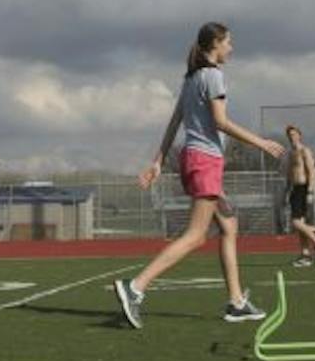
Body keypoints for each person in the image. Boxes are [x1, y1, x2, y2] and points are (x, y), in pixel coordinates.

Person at [112, 22, 284, 329]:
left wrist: (158, 162)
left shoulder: (191, 79)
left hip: (195, 160)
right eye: (228, 42)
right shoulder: (213, 76)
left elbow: (174, 122)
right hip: (205, 162)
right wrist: (260, 142)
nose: (231, 48)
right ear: (215, 44)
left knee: (229, 225)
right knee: (195, 236)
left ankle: (236, 303)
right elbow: (220, 122)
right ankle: (135, 287)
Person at [283, 125, 315, 266]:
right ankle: (305, 255)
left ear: (299, 135)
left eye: (294, 134)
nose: (292, 137)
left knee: (296, 223)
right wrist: (286, 191)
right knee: (300, 225)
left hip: (303, 189)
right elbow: (290, 175)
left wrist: (310, 190)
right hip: (294, 189)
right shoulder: (291, 153)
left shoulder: (305, 151)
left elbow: (311, 171)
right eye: (289, 135)